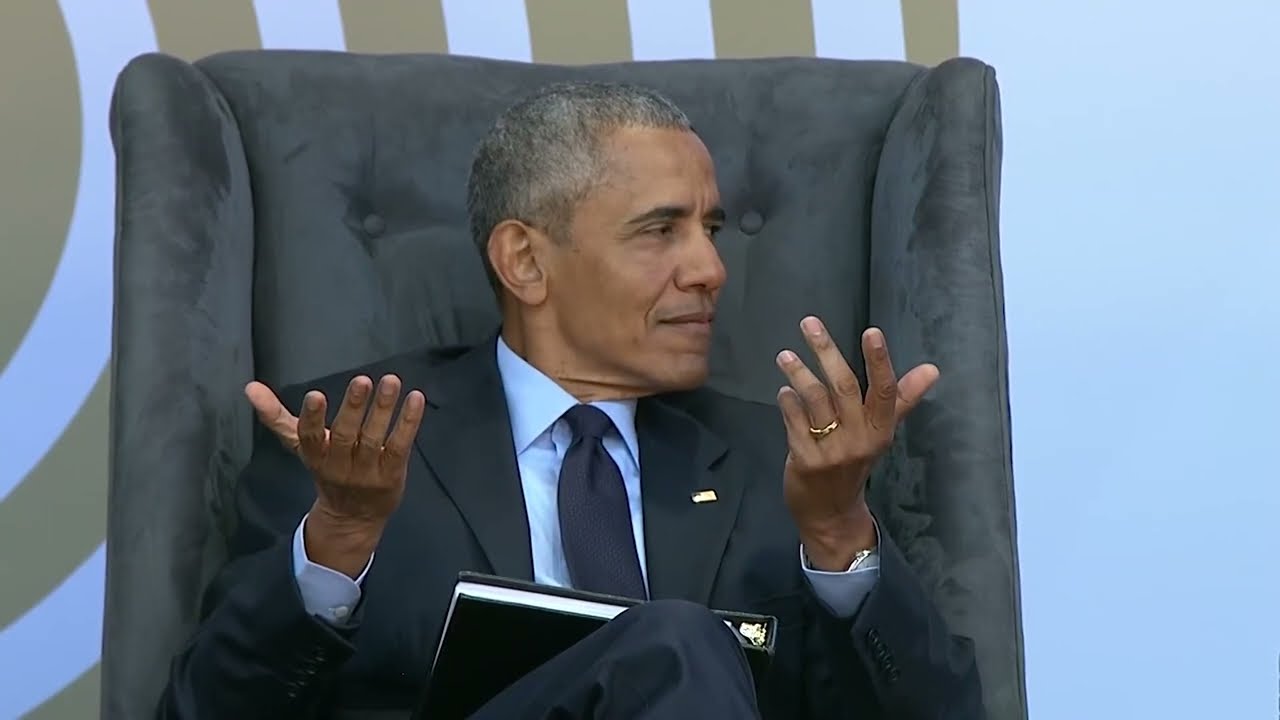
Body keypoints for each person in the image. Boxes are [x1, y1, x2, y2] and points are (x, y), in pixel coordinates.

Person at [157, 81, 985, 719]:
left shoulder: (789, 462)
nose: (710, 270)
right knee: (675, 639)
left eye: (711, 230)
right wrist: (338, 540)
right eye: (660, 230)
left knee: (678, 644)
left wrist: (839, 534)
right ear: (525, 262)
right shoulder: (350, 443)